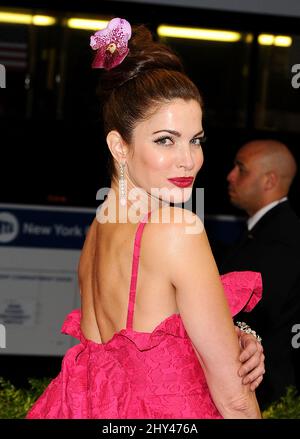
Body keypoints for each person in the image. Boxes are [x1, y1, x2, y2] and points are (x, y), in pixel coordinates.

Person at [26, 18, 263, 419]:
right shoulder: (177, 229)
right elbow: (235, 400)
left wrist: (235, 336)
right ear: (120, 146)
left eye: (196, 140)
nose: (189, 159)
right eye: (165, 140)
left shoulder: (97, 231)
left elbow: (135, 353)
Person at [220, 139, 300, 409]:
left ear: (269, 181)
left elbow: (250, 316)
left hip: (270, 396)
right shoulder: (265, 233)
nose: (230, 176)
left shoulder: (280, 241)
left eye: (241, 169)